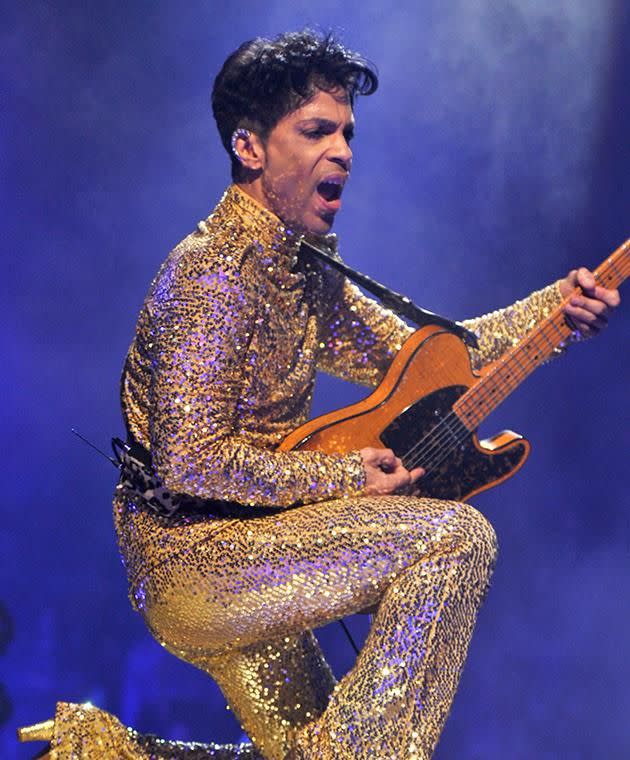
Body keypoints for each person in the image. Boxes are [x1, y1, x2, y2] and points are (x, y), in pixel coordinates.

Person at [19, 30, 620, 760]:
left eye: (347, 133)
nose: (343, 151)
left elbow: (434, 360)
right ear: (250, 148)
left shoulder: (304, 272)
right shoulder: (212, 273)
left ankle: (109, 752)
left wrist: (558, 308)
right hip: (196, 562)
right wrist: (348, 478)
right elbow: (192, 464)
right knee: (454, 538)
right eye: (316, 131)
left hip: (255, 555)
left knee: (308, 747)